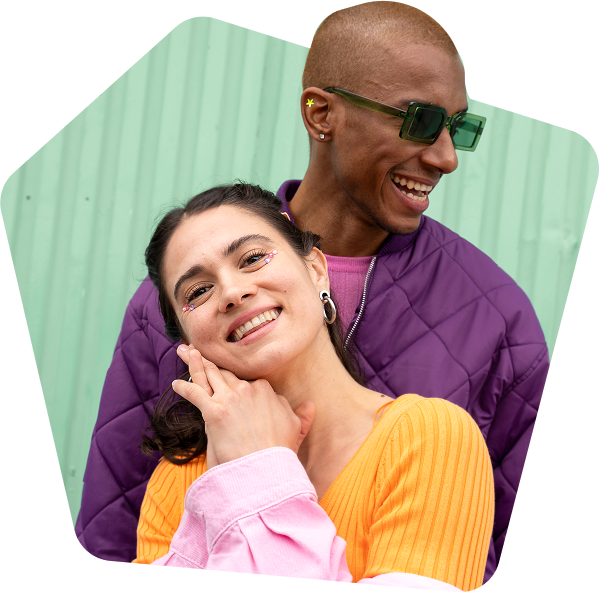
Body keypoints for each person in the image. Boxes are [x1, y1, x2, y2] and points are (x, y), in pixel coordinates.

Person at [75, 3, 548, 584]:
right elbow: (117, 518)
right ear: (322, 113)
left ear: (316, 270)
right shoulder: (165, 311)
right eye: (420, 121)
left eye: (460, 128)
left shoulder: (497, 316)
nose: (446, 157)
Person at [132, 182, 494, 591]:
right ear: (188, 342)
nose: (232, 292)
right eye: (198, 291)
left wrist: (261, 476)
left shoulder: (429, 438)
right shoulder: (179, 481)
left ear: (316, 269)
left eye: (252, 258)